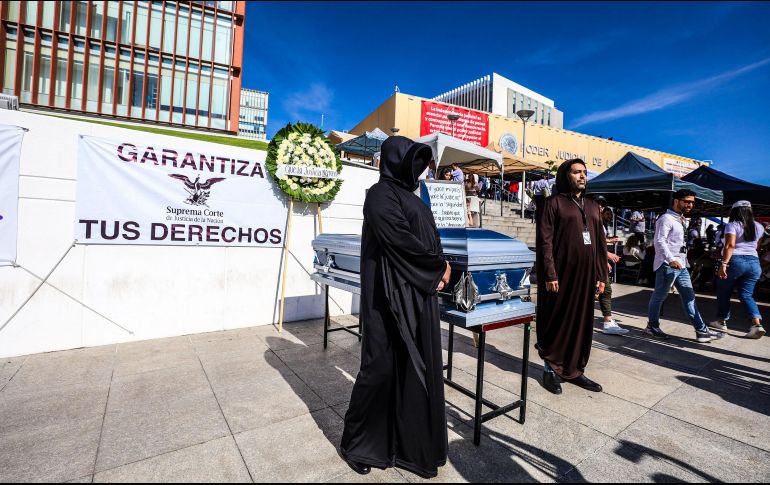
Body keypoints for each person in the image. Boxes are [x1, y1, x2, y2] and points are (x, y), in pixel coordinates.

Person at [340, 136, 452, 479]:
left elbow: (425, 237)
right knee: (379, 369)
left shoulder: (412, 197)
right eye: (410, 159)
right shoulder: (379, 195)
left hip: (417, 295)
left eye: (420, 162)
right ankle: (356, 444)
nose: (415, 168)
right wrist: (438, 267)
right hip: (387, 299)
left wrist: (440, 267)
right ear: (393, 160)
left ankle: (409, 449)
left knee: (412, 369)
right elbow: (399, 240)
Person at [536, 158, 608, 395]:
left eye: (584, 173)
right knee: (555, 321)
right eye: (576, 172)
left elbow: (599, 243)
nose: (582, 176)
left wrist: (601, 275)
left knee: (581, 323)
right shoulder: (552, 203)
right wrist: (549, 272)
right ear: (566, 175)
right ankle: (550, 370)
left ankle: (575, 370)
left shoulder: (593, 206)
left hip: (586, 277)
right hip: (559, 276)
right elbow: (544, 242)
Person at [645, 189, 724, 343]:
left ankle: (701, 331)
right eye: (687, 201)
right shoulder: (666, 218)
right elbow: (659, 241)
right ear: (676, 200)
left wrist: (683, 261)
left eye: (692, 202)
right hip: (667, 264)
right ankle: (652, 326)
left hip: (681, 264)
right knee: (659, 296)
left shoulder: (681, 219)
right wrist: (670, 259)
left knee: (689, 297)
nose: (690, 204)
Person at [709, 200, 766, 338]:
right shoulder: (759, 226)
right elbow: (756, 247)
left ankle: (721, 321)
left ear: (735, 212)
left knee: (724, 291)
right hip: (754, 262)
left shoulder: (732, 225)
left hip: (735, 261)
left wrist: (724, 264)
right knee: (747, 294)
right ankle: (756, 325)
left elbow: (730, 245)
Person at [598, 206, 628, 335]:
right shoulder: (594, 222)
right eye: (607, 214)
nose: (610, 216)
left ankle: (608, 321)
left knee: (604, 290)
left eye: (611, 214)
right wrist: (607, 256)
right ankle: (607, 323)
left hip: (597, 260)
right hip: (590, 261)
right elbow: (591, 242)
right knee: (602, 290)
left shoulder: (602, 225)